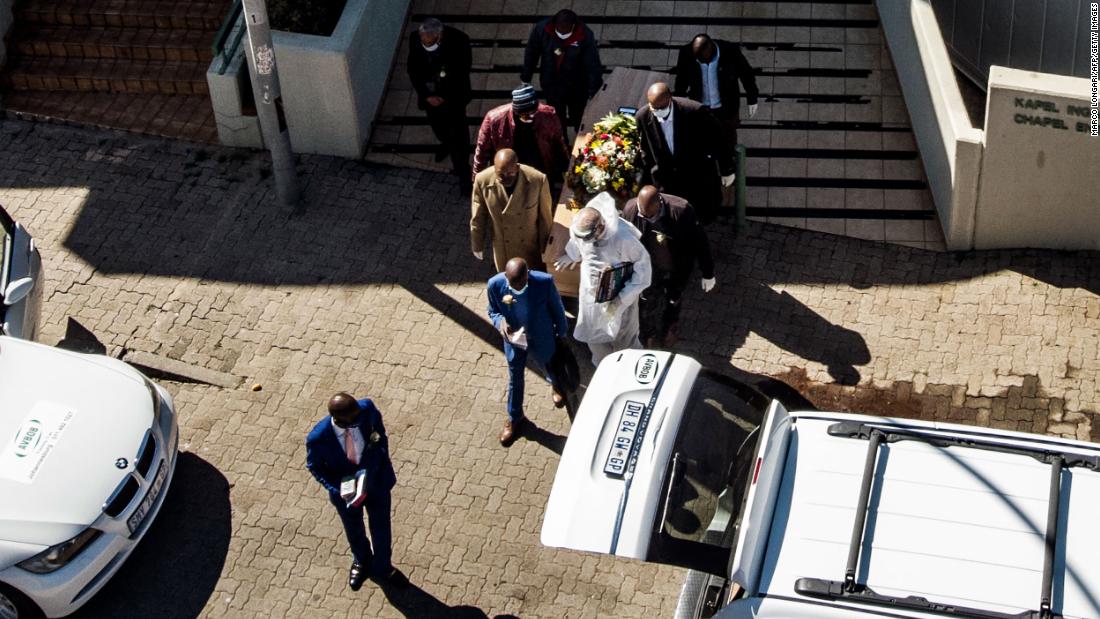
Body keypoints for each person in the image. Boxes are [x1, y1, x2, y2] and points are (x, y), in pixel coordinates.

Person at [306, 393, 408, 591]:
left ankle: (383, 566)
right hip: (347, 495)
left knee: (381, 527)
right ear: (340, 420)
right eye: (354, 419)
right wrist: (340, 489)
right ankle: (361, 561)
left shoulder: (366, 408)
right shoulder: (318, 438)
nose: (359, 419)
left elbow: (380, 435)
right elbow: (316, 467)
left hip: (377, 483)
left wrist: (377, 459)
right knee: (353, 529)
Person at [555, 193, 651, 365]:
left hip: (620, 298)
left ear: (600, 228)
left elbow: (643, 272)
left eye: (588, 238)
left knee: (625, 341)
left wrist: (621, 299)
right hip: (591, 296)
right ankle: (604, 368)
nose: (585, 241)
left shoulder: (623, 239)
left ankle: (632, 369)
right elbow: (578, 243)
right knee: (595, 338)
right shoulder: (581, 231)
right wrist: (572, 255)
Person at [486, 257, 570, 445]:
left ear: (528, 276)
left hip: (541, 337)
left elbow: (557, 309)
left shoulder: (544, 282)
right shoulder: (494, 284)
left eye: (521, 284)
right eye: (512, 284)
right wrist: (501, 324)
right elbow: (493, 311)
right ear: (505, 277)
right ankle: (515, 418)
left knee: (548, 363)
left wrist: (562, 333)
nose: (517, 288)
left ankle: (555, 383)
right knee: (515, 378)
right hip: (515, 340)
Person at [623, 186, 716, 348]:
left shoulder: (682, 211)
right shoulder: (631, 210)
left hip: (677, 266)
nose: (647, 219)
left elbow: (700, 242)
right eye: (643, 216)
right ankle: (649, 333)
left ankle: (670, 325)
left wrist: (708, 272)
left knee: (674, 298)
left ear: (659, 204)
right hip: (649, 267)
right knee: (646, 300)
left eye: (651, 216)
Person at [634, 82, 736, 225]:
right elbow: (645, 150)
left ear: (670, 99)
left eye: (662, 108)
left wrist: (727, 169)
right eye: (654, 108)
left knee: (700, 213)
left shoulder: (694, 111)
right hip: (667, 178)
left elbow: (718, 138)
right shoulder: (643, 117)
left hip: (695, 174)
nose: (658, 112)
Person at [406, 18, 473, 194]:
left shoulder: (460, 41)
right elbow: (413, 70)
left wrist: (444, 96)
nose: (425, 44)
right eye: (423, 41)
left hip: (453, 98)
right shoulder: (414, 39)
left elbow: (462, 73)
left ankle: (463, 173)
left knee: (458, 135)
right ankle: (445, 143)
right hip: (430, 98)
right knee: (438, 127)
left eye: (430, 42)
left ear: (440, 36)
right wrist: (427, 95)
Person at [520, 9, 604, 133]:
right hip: (552, 85)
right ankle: (561, 147)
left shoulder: (584, 34)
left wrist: (595, 90)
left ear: (573, 26)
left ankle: (580, 143)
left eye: (566, 31)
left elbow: (592, 63)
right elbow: (532, 53)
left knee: (579, 118)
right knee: (557, 120)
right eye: (559, 30)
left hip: (577, 87)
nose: (562, 33)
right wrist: (526, 77)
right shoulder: (542, 29)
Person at [470, 149, 554, 272]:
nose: (506, 178)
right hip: (504, 249)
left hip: (530, 247)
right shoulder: (482, 180)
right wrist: (477, 244)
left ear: (517, 167)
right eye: (501, 175)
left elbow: (545, 219)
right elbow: (478, 216)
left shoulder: (537, 180)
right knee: (509, 283)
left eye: (510, 173)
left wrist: (545, 249)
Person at [673, 33, 759, 149]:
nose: (700, 62)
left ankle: (729, 164)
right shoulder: (686, 53)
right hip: (701, 108)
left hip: (727, 108)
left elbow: (746, 73)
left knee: (728, 142)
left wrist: (752, 98)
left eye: (702, 60)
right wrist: (679, 107)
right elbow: (681, 82)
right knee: (702, 142)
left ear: (711, 52)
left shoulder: (730, 51)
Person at [473, 84, 569, 183]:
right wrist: (477, 182)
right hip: (509, 175)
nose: (531, 117)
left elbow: (559, 145)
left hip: (540, 173)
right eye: (525, 116)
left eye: (534, 112)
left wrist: (567, 171)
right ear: (516, 112)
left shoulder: (548, 115)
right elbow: (481, 153)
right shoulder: (494, 119)